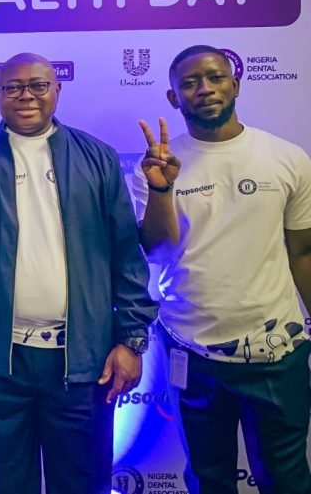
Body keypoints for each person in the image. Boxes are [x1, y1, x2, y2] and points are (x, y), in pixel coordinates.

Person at [0, 52, 158, 494]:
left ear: (57, 90)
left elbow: (126, 254)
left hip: (83, 360)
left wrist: (131, 338)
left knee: (82, 483)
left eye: (38, 85)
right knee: (5, 483)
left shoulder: (97, 157)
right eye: (13, 87)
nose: (26, 95)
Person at [133, 44, 311, 493]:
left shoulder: (286, 158)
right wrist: (162, 189)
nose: (205, 89)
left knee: (285, 478)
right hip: (189, 350)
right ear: (174, 98)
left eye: (215, 78)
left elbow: (303, 252)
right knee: (208, 478)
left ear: (235, 84)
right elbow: (157, 250)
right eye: (190, 83)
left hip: (275, 351)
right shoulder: (155, 166)